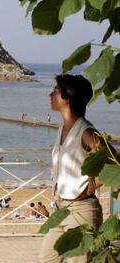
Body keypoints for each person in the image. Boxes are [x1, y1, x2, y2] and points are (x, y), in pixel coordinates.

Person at [39, 75, 104, 263]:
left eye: (56, 91)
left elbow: (114, 163)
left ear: (68, 97)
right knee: (46, 258)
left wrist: (89, 188)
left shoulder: (86, 131)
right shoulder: (63, 127)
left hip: (81, 210)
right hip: (60, 208)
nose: (50, 94)